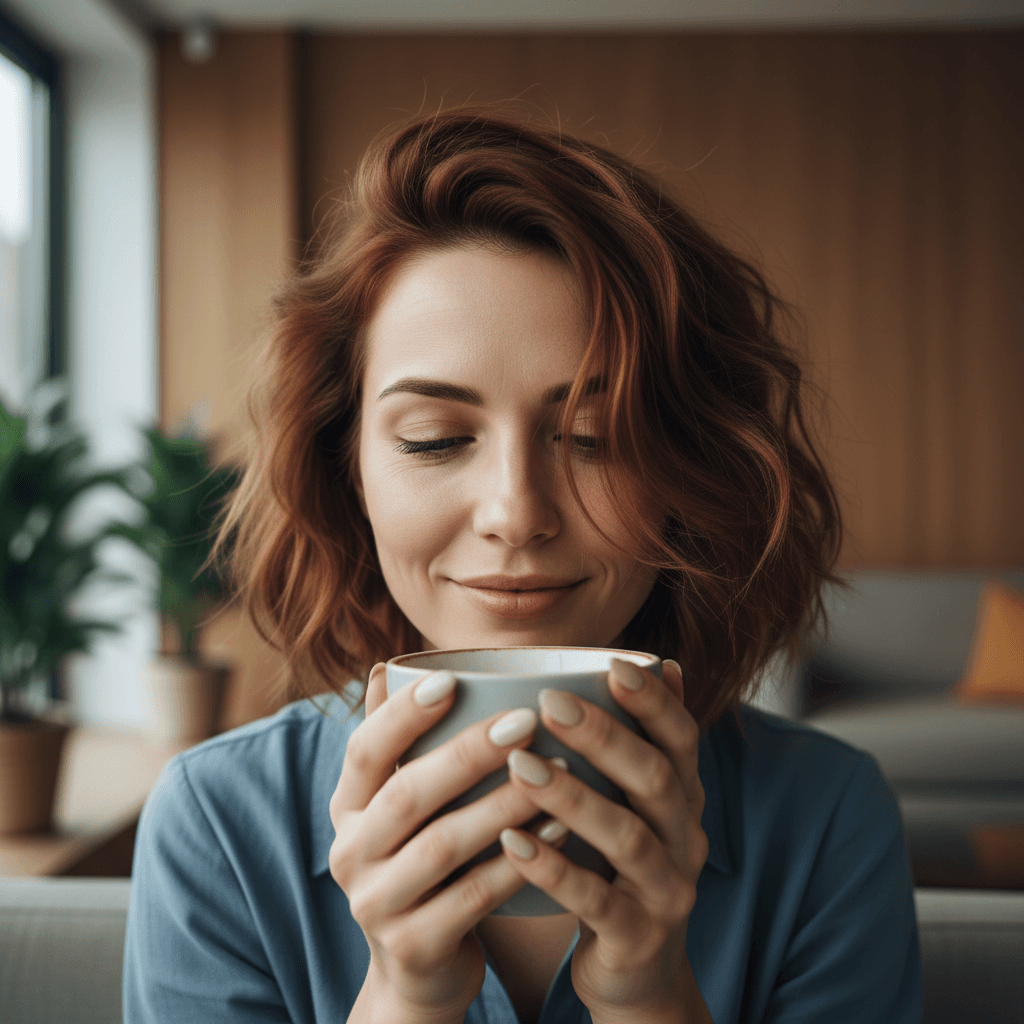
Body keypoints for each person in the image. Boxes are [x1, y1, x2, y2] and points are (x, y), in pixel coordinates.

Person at [122, 106, 922, 1024]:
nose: (516, 514)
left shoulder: (827, 821)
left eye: (594, 435)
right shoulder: (217, 825)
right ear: (349, 470)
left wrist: (650, 994)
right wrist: (403, 998)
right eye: (432, 439)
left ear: (688, 470)